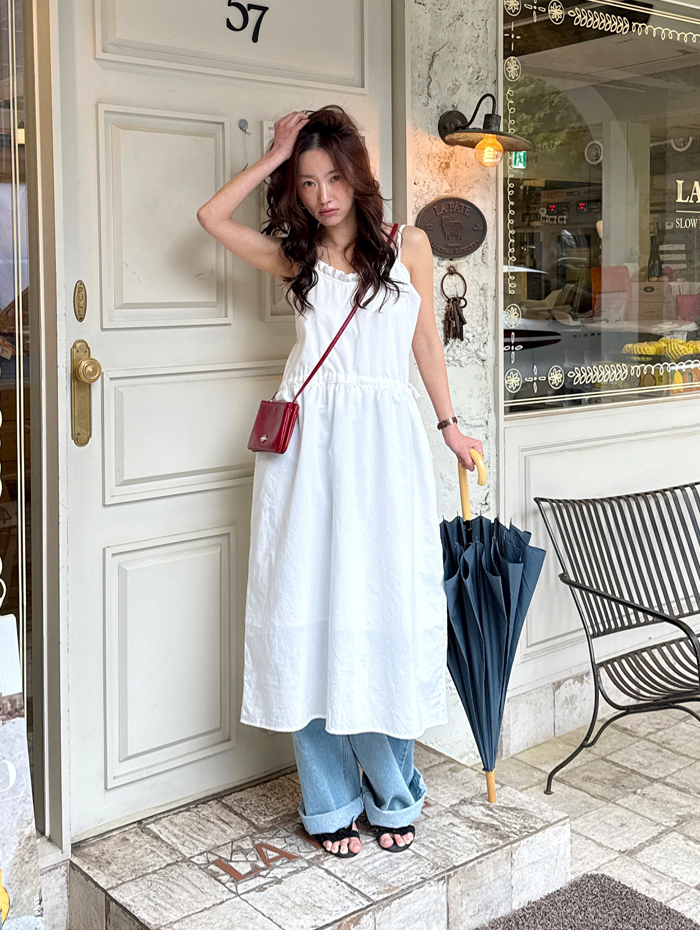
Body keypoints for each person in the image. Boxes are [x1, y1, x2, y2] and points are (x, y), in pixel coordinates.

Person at [197, 105, 483, 859]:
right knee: (309, 610)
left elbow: (425, 340)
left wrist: (450, 426)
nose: (323, 195)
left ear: (358, 176)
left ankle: (394, 793)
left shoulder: (408, 244)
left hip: (384, 448)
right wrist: (274, 154)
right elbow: (211, 218)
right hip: (308, 455)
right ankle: (327, 804)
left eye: (333, 177)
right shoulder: (296, 256)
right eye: (306, 181)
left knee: (382, 610)